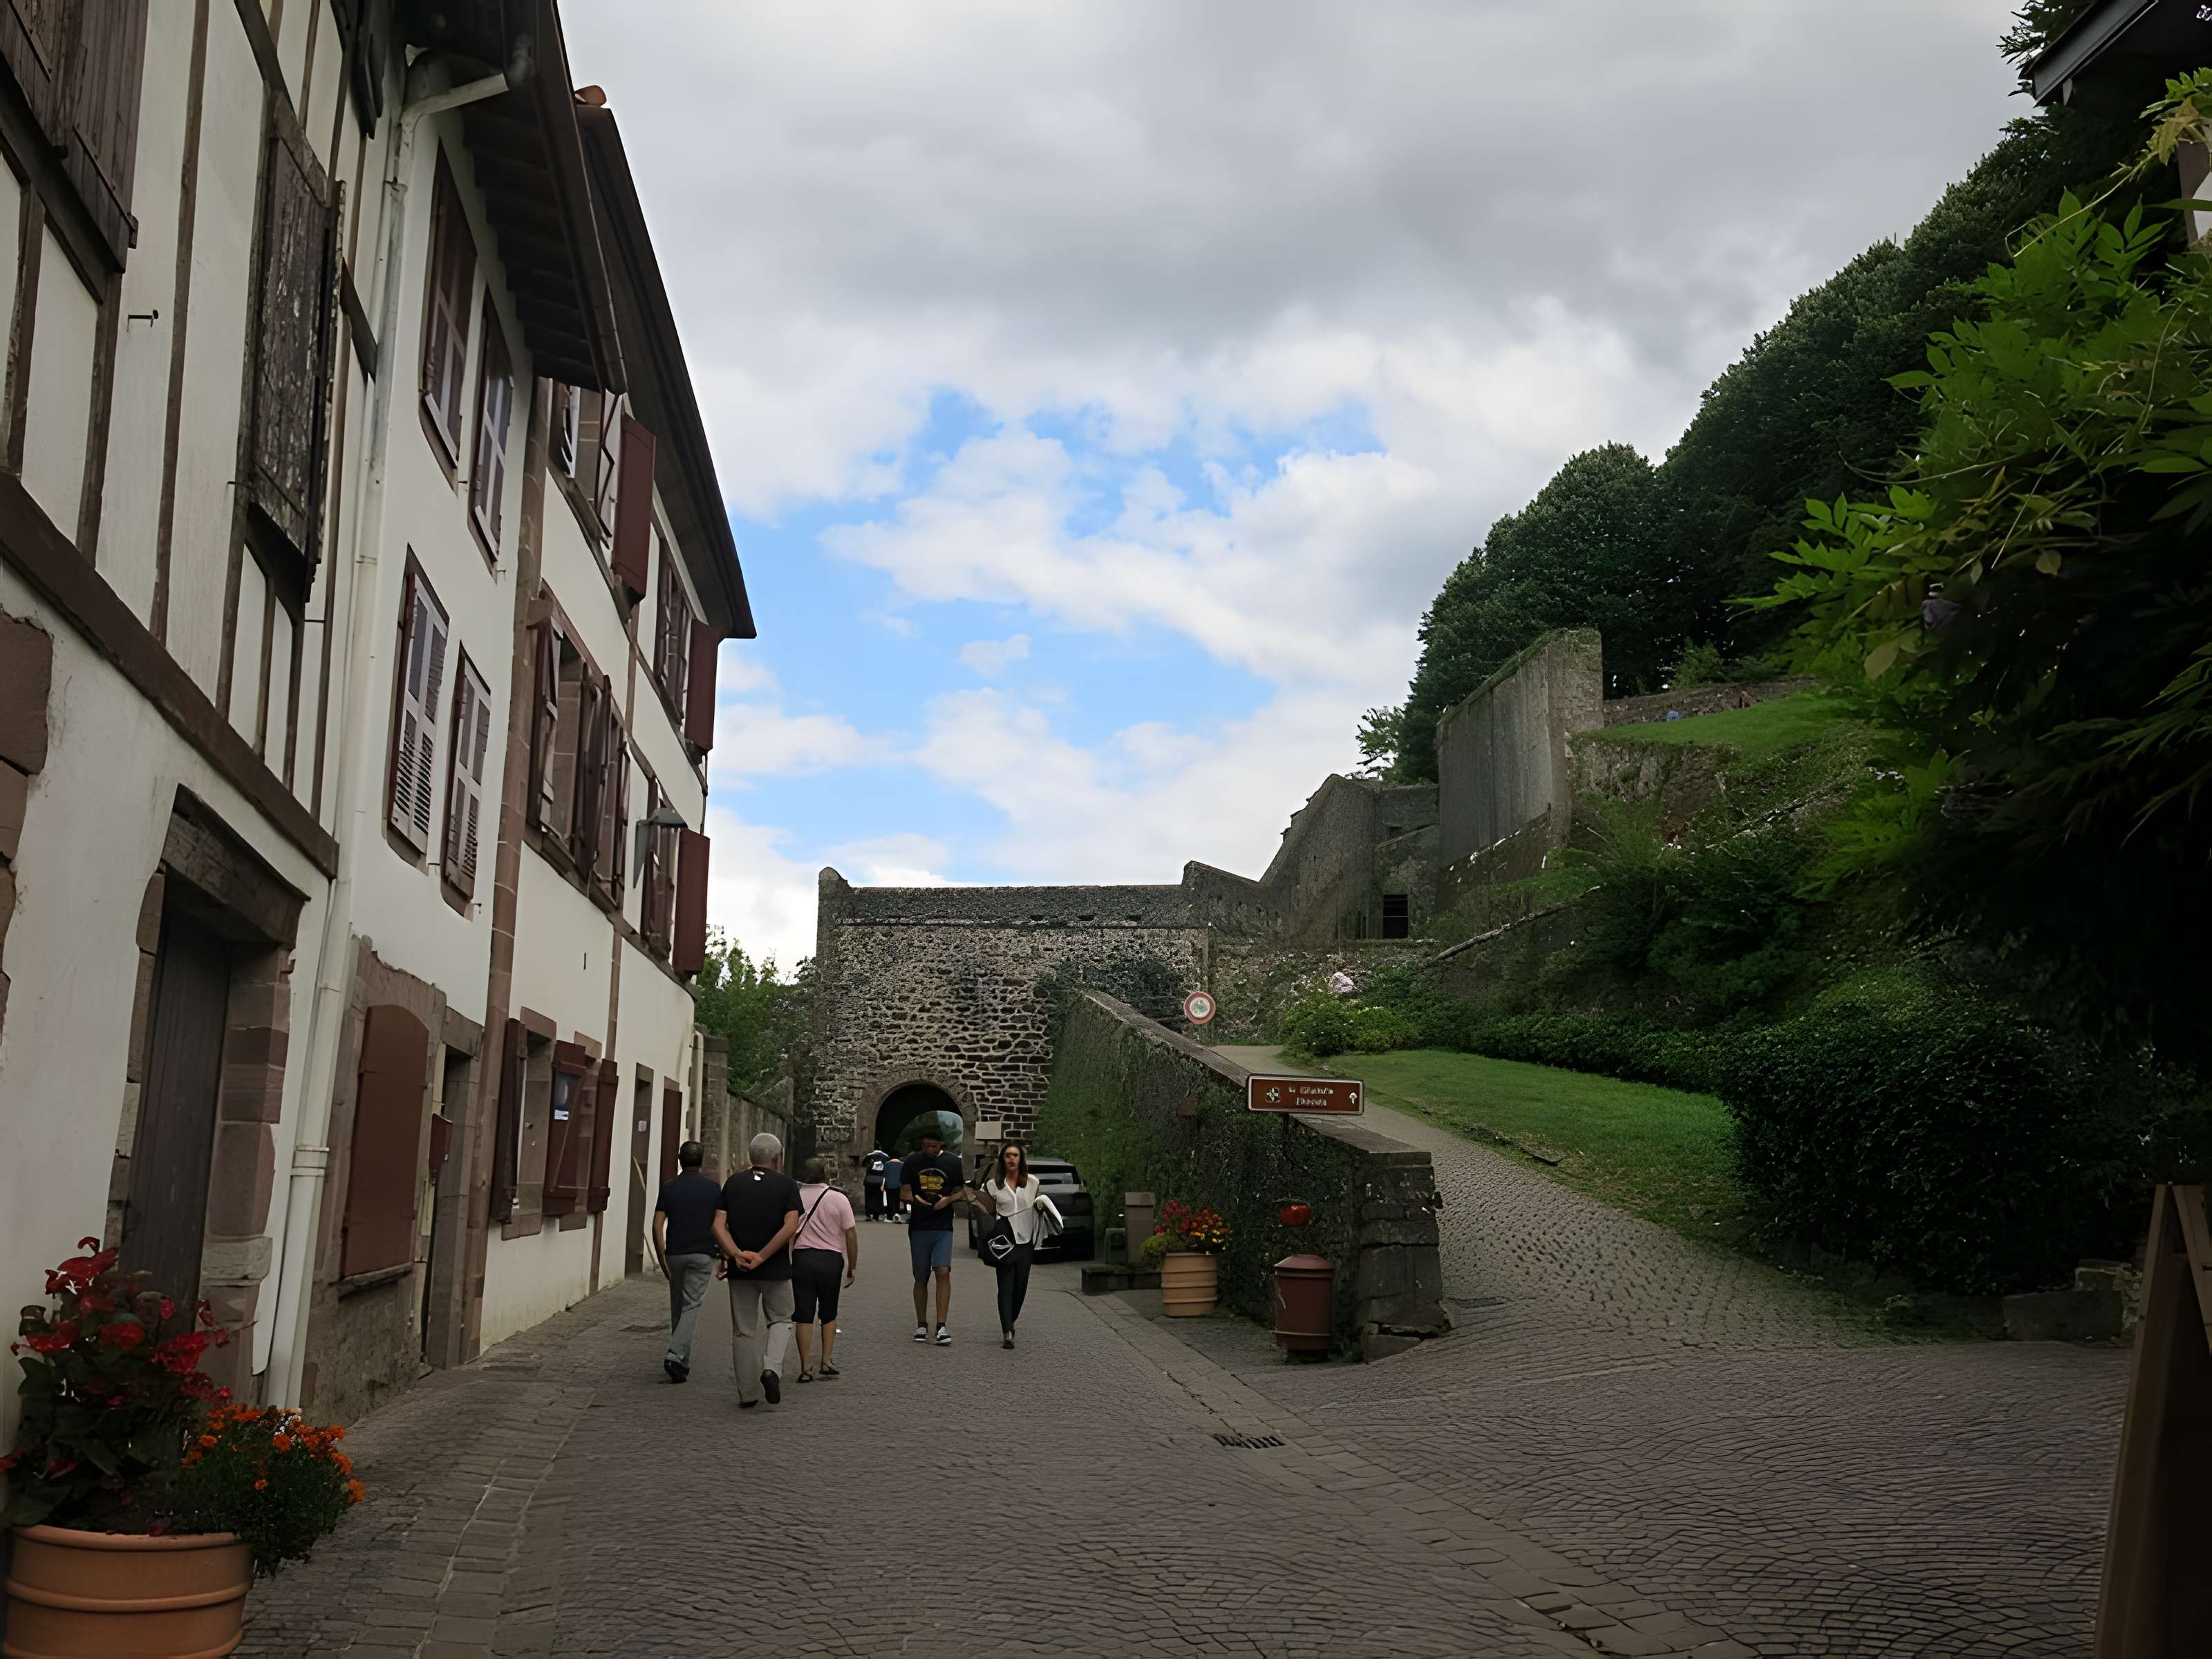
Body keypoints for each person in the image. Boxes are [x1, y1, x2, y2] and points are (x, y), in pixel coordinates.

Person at [712, 1132, 803, 1409]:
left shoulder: (733, 1184)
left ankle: (747, 1392)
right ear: (778, 1158)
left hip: (741, 1269)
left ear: (751, 1157)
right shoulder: (787, 1186)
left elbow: (717, 1225)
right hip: (774, 1267)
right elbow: (790, 1227)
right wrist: (763, 1256)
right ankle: (771, 1368)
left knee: (743, 1330)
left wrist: (735, 1253)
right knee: (782, 1319)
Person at [651, 1140, 720, 1383]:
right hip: (702, 1254)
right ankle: (674, 1354)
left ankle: (681, 1363)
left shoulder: (670, 1187)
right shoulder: (714, 1189)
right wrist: (724, 1255)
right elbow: (720, 1225)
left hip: (675, 1254)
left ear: (680, 1160)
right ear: (701, 1161)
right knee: (692, 1306)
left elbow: (657, 1224)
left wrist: (662, 1257)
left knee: (677, 1308)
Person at [977, 1142, 1050, 1349]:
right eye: (1008, 1155)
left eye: (1015, 1155)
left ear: (1021, 1159)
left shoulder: (1033, 1183)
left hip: (1026, 1241)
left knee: (1020, 1288)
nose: (1011, 1159)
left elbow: (1039, 1208)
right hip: (1005, 1242)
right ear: (1002, 1160)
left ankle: (1011, 1318)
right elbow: (985, 1210)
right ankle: (1007, 1330)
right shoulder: (993, 1185)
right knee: (1005, 1287)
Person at [790, 1156, 858, 1382]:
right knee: (829, 1312)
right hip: (831, 1259)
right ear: (825, 1173)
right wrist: (852, 1266)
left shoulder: (795, 1197)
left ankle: (804, 1366)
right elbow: (850, 1234)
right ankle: (827, 1361)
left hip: (802, 1258)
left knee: (803, 1312)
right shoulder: (838, 1198)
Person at [902, 1127, 967, 1345]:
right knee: (921, 1277)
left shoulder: (952, 1163)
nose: (930, 1150)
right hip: (920, 1227)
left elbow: (962, 1192)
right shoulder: (912, 1162)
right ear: (922, 1145)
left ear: (942, 1147)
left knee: (943, 1271)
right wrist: (916, 1200)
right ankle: (922, 1324)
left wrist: (948, 1200)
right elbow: (904, 1191)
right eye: (927, 1146)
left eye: (935, 1146)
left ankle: (941, 1326)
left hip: (943, 1226)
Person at [861, 1145, 889, 1221]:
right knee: (879, 1198)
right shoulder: (886, 1157)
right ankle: (876, 1215)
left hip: (869, 1180)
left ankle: (868, 1214)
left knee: (868, 1197)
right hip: (880, 1180)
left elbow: (863, 1165)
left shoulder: (869, 1156)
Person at [882, 1153, 905, 1223]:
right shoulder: (902, 1164)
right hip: (899, 1185)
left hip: (889, 1185)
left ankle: (889, 1217)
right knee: (897, 1201)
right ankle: (897, 1214)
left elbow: (885, 1175)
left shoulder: (887, 1164)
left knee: (889, 1201)